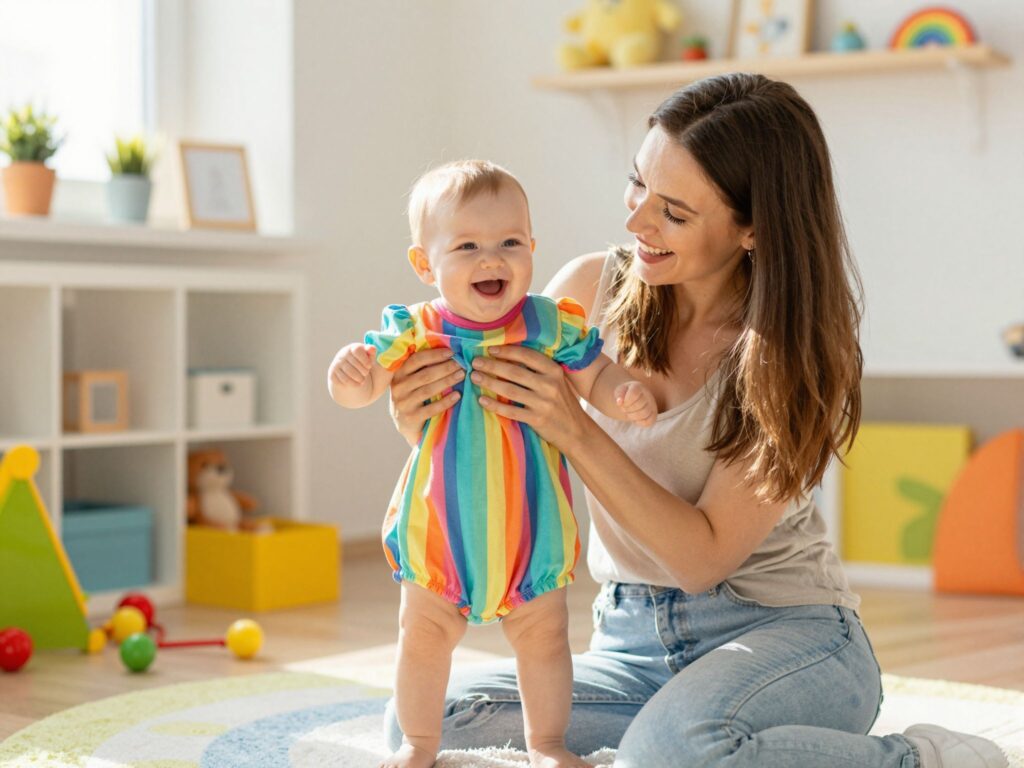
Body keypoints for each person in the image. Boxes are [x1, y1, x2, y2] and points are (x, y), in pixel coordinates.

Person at [382, 75, 1008, 768]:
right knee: (430, 719)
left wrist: (577, 428)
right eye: (637, 184)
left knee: (669, 755)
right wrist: (419, 416)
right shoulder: (584, 295)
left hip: (784, 635)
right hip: (628, 642)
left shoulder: (793, 352)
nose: (636, 223)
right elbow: (500, 446)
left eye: (674, 212)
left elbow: (701, 558)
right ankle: (720, 741)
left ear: (752, 229)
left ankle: (921, 759)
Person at [328, 159, 658, 768]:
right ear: (426, 265)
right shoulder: (418, 329)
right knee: (422, 641)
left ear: (533, 247)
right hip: (438, 536)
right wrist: (349, 376)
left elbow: (596, 375)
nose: (492, 260)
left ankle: (548, 744)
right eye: (468, 246)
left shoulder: (546, 323)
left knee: (546, 641)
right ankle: (420, 746)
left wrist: (624, 395)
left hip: (529, 535)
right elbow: (364, 387)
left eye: (510, 242)